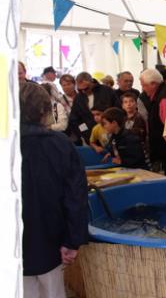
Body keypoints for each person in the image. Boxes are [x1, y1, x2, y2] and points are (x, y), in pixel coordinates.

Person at [20, 82, 88, 298]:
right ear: (44, 109)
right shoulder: (60, 144)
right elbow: (75, 196)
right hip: (50, 239)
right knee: (52, 291)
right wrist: (72, 240)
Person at [139, 68, 166, 177]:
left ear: (153, 84)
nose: (143, 89)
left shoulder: (164, 98)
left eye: (144, 85)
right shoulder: (162, 93)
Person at [69, 72, 119, 144]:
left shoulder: (107, 91)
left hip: (110, 134)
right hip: (89, 137)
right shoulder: (78, 97)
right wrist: (84, 131)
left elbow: (117, 111)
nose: (83, 91)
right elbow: (74, 119)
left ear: (92, 82)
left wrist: (106, 120)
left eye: (86, 88)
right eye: (79, 90)